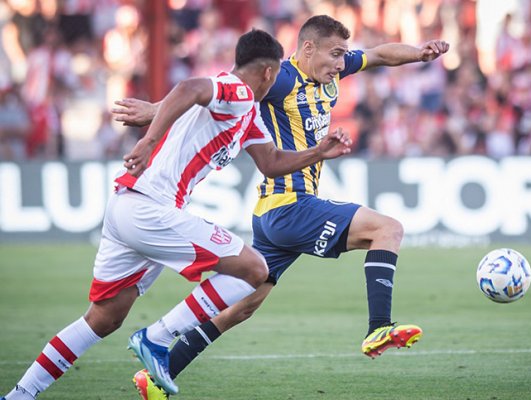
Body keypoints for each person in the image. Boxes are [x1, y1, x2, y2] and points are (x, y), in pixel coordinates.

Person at [1, 28, 353, 400]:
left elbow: (271, 162)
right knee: (254, 269)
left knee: (103, 318)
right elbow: (188, 87)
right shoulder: (237, 90)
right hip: (150, 208)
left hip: (128, 207)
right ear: (268, 73)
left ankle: (20, 395)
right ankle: (156, 338)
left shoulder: (246, 112)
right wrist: (148, 138)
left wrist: (318, 152)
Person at [117, 15, 449, 400]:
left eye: (344, 55)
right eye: (335, 54)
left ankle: (157, 376)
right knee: (387, 229)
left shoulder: (333, 72)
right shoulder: (283, 78)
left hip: (272, 214)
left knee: (242, 308)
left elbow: (378, 55)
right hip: (292, 205)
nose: (342, 63)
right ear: (308, 48)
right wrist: (155, 110)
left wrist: (419, 54)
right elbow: (220, 88)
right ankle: (379, 326)